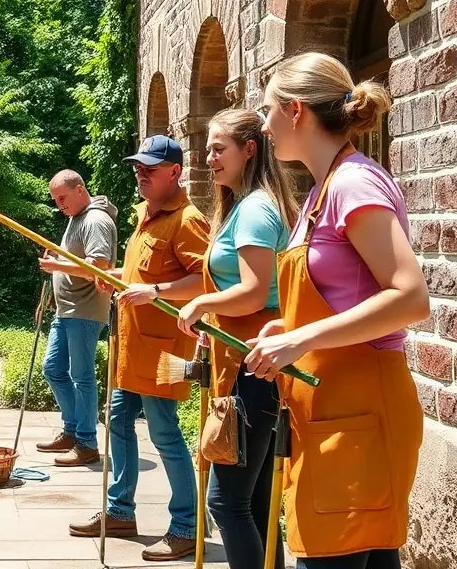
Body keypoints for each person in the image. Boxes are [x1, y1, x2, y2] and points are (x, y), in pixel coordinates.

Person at [246, 52, 428, 569]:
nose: (263, 126)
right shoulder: (323, 190)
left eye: (267, 111)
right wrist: (293, 327)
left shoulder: (353, 183)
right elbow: (343, 294)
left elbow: (410, 297)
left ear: (296, 111)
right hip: (334, 413)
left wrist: (301, 340)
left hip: (361, 412)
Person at [64, 135, 209, 562]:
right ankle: (120, 510)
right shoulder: (147, 214)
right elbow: (143, 273)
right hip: (133, 346)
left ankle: (187, 526)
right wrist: (121, 278)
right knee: (119, 419)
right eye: (137, 167)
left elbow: (207, 282)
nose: (140, 173)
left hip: (166, 352)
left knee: (164, 432)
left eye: (149, 167)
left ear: (175, 172)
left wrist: (156, 290)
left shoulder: (187, 219)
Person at [174, 108, 298, 569]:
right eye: (207, 147)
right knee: (257, 502)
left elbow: (250, 292)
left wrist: (205, 305)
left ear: (250, 149)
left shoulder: (256, 209)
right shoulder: (246, 206)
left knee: (226, 504)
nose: (208, 158)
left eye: (217, 148)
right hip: (249, 367)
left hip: (254, 369)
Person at [36, 170, 118, 466]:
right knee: (53, 369)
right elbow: (76, 260)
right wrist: (59, 262)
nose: (59, 204)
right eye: (56, 199)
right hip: (67, 310)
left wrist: (57, 265)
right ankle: (72, 431)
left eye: (62, 197)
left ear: (80, 189)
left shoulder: (95, 220)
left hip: (85, 310)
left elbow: (100, 267)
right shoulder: (77, 217)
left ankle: (87, 443)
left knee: (81, 377)